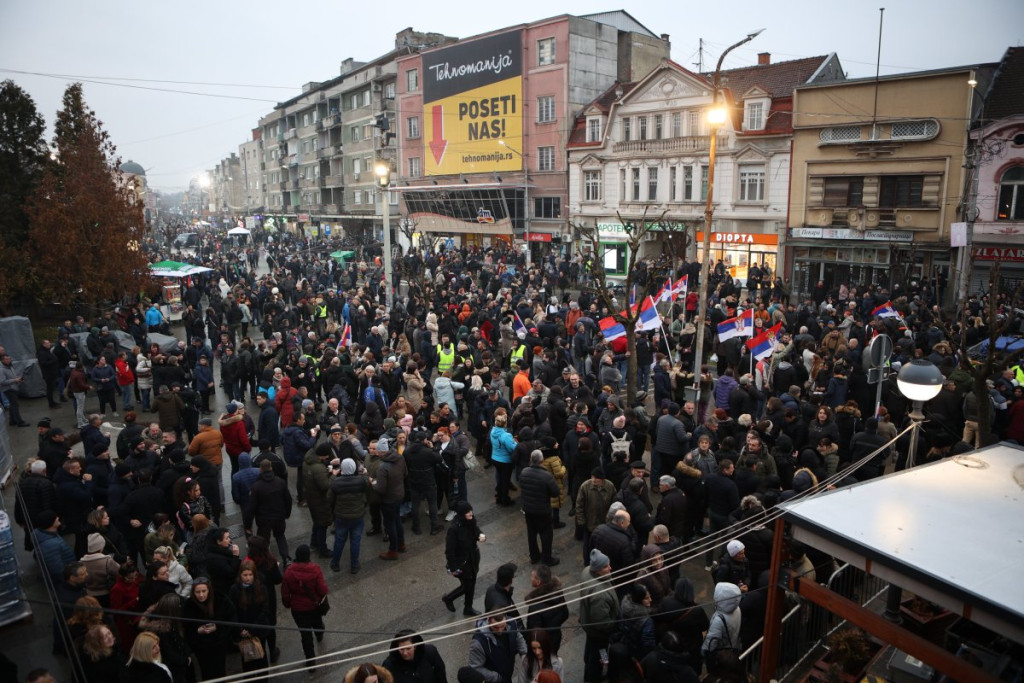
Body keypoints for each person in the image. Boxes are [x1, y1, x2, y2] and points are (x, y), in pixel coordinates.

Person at [281, 545, 329, 668]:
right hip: (314, 607)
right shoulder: (315, 569)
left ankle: (310, 660)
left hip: (298, 610)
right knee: (317, 623)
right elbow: (323, 590)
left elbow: (285, 594)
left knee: (305, 635)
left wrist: (288, 604)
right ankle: (319, 634)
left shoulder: (289, 572)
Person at [183, 577, 236, 680]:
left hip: (219, 644)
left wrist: (217, 627)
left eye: (204, 591)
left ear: (209, 590)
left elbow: (230, 618)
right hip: (201, 647)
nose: (201, 595)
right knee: (206, 672)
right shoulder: (189, 605)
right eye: (197, 592)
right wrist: (197, 630)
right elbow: (186, 626)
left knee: (220, 671)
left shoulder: (220, 599)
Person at [579, 549, 618, 683]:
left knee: (591, 648)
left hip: (588, 624)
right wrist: (614, 625)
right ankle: (592, 677)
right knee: (598, 654)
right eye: (606, 566)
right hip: (599, 632)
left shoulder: (587, 571)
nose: (610, 568)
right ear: (597, 570)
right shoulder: (599, 594)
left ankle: (588, 666)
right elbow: (601, 622)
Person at [244, 459, 293, 562]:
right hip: (279, 517)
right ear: (271, 468)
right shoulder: (280, 482)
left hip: (264, 520)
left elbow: (251, 508)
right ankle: (286, 558)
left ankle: (265, 561)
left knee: (263, 541)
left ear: (260, 470)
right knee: (280, 536)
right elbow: (288, 500)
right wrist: (287, 513)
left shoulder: (256, 487)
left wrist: (248, 525)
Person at [230, 559, 272, 675]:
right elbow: (233, 612)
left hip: (259, 630)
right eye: (245, 575)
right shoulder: (235, 589)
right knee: (247, 661)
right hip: (243, 632)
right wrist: (240, 630)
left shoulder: (261, 587)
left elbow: (265, 610)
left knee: (261, 658)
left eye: (250, 575)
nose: (247, 578)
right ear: (240, 575)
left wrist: (251, 629)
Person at [328, 457, 370, 573]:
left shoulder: (336, 482)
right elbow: (367, 484)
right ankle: (354, 565)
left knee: (339, 540)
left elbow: (329, 498)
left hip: (341, 517)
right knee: (355, 540)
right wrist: (365, 474)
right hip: (357, 516)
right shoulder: (360, 481)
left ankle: (335, 563)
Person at [442, 500, 484, 617]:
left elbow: (476, 530)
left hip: (473, 558)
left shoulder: (471, 521)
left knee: (470, 584)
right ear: (461, 514)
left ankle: (466, 607)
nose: (471, 513)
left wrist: (480, 535)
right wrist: (454, 567)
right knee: (468, 585)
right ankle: (454, 601)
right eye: (467, 512)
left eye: (471, 510)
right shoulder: (454, 530)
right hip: (462, 563)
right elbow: (449, 551)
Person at [519, 450, 560, 565]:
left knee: (531, 534)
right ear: (542, 461)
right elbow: (555, 492)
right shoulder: (546, 476)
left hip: (528, 510)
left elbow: (521, 485)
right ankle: (547, 558)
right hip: (543, 511)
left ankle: (534, 556)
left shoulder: (524, 472)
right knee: (546, 535)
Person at [468, 613, 527, 683]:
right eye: (495, 627)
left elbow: (518, 637)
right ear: (488, 621)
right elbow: (475, 668)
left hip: (507, 675)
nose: (500, 630)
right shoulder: (478, 642)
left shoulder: (511, 624)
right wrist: (496, 677)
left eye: (502, 626)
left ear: (506, 618)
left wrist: (525, 654)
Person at [524, 564, 569, 655]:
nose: (530, 578)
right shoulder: (557, 592)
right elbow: (565, 614)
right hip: (555, 638)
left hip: (542, 645)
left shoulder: (535, 606)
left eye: (532, 577)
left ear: (538, 582)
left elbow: (533, 631)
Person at [700, 582, 743, 668]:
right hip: (732, 647)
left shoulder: (719, 620)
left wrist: (703, 651)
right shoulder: (737, 609)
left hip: (720, 654)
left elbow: (711, 643)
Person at [382, 629, 448, 683]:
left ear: (415, 646)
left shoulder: (430, 653)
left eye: (408, 649)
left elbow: (440, 674)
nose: (405, 653)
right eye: (401, 649)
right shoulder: (389, 665)